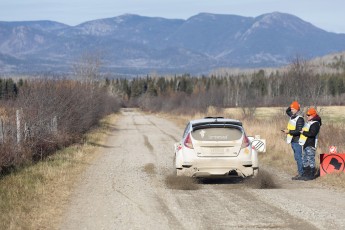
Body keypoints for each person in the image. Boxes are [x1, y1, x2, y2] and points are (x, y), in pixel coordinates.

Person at [283, 101, 305, 180]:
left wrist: (289, 132)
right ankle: (300, 172)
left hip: (297, 140)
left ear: (297, 109)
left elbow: (299, 131)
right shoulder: (292, 116)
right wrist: (292, 105)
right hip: (292, 140)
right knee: (297, 157)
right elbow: (287, 111)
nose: (291, 110)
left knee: (299, 157)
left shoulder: (300, 119)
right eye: (291, 108)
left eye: (293, 109)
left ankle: (301, 174)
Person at [298, 107, 322, 181]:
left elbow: (312, 133)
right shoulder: (309, 122)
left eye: (309, 115)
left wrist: (303, 132)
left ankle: (311, 175)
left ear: (313, 115)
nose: (307, 116)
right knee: (305, 160)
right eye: (307, 115)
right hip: (306, 143)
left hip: (311, 144)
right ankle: (305, 174)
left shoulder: (316, 123)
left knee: (310, 159)